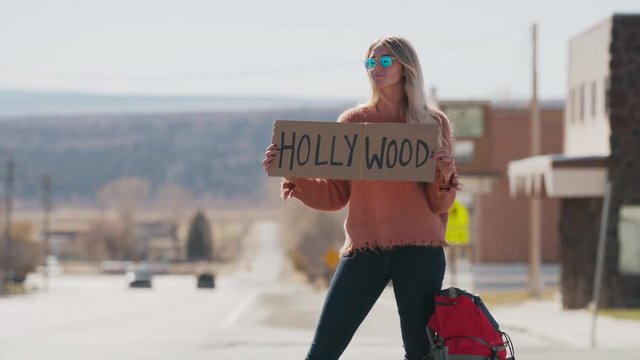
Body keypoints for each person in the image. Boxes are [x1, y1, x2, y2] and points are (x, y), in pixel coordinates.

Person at [262, 36, 461, 360]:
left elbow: (439, 204)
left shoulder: (432, 123)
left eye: (385, 62)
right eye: (371, 62)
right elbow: (336, 195)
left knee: (420, 353)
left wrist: (445, 175)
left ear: (405, 66)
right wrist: (294, 175)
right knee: (323, 349)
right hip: (364, 249)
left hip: (420, 252)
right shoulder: (353, 123)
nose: (376, 69)